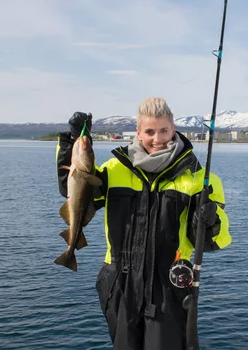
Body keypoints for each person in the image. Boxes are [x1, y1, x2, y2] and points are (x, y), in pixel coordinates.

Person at [56, 97, 232, 350]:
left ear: (174, 129)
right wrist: (71, 142)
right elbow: (73, 192)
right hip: (119, 284)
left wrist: (209, 220)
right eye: (150, 131)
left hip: (169, 287)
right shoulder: (114, 169)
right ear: (138, 133)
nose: (157, 139)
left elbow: (216, 241)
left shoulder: (201, 178)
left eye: (163, 130)